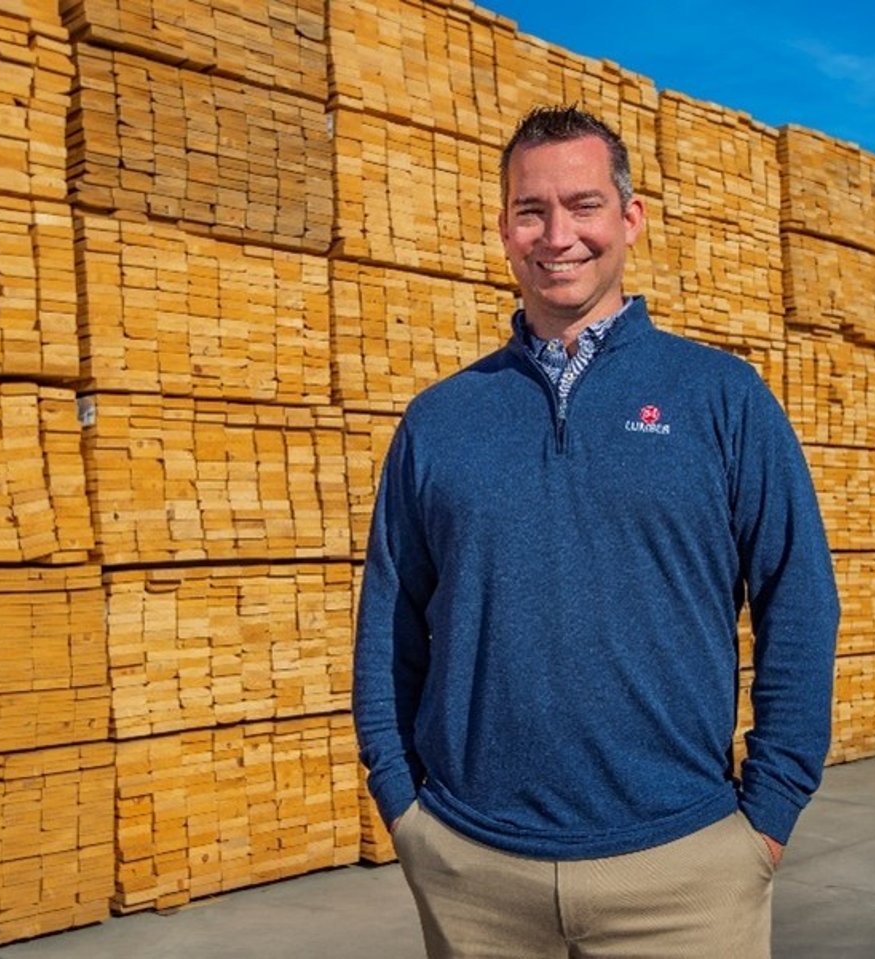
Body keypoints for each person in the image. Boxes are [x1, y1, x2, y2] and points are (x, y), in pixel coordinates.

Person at [353, 104, 840, 958]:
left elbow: (797, 598)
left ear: (630, 219)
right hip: (475, 875)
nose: (557, 235)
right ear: (504, 229)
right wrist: (404, 805)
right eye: (531, 211)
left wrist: (768, 814)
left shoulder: (722, 398)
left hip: (685, 875)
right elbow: (389, 625)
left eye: (582, 206)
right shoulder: (440, 421)